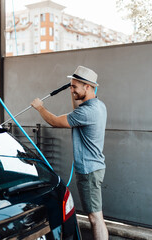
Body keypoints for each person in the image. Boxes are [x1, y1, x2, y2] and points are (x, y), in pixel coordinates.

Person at [31, 66, 108, 240]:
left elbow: (56, 122)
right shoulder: (97, 105)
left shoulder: (88, 112)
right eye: (70, 86)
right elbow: (76, 111)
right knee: (95, 216)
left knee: (96, 219)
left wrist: (40, 108)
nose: (71, 89)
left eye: (75, 87)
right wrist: (73, 93)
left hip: (89, 171)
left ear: (87, 87)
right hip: (93, 168)